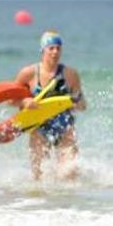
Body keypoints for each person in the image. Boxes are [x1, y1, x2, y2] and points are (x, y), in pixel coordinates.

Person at [14, 31, 87, 180]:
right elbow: (11, 100)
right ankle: (43, 204)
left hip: (65, 127)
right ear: (43, 49)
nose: (55, 52)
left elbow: (83, 104)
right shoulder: (29, 73)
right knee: (39, 179)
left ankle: (66, 203)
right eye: (51, 48)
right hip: (38, 128)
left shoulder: (70, 74)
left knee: (69, 175)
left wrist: (76, 102)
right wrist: (25, 102)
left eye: (58, 48)